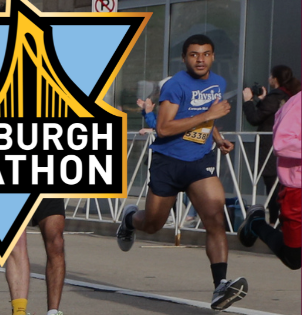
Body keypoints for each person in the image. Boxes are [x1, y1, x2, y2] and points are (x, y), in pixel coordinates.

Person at [117, 34, 250, 310]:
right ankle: (130, 219)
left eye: (205, 53)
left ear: (213, 57)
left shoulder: (218, 83)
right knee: (153, 224)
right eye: (193, 54)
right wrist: (207, 115)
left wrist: (216, 137)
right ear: (184, 58)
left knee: (214, 218)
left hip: (200, 161)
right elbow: (164, 128)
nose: (200, 59)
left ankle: (220, 286)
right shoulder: (175, 86)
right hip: (168, 162)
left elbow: (205, 115)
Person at [243, 90, 302, 270]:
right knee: (294, 259)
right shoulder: (297, 104)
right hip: (297, 189)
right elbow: (281, 142)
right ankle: (256, 223)